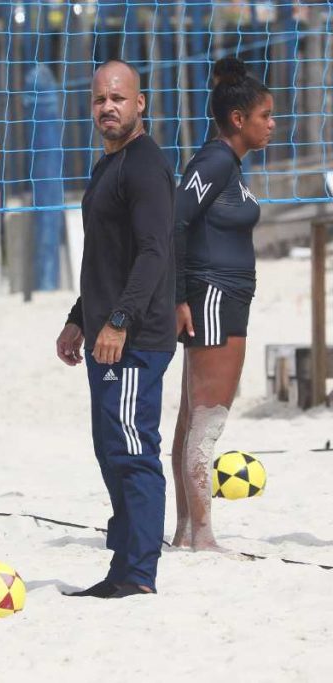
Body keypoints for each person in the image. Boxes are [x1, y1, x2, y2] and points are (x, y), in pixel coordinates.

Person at [55, 61, 176, 598]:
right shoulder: (108, 165)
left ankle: (137, 575)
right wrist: (80, 318)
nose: (109, 107)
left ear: (140, 104)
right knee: (111, 447)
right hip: (106, 332)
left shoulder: (144, 167)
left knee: (131, 450)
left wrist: (119, 321)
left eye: (119, 98)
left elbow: (153, 253)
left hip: (135, 337)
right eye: (100, 98)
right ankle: (122, 565)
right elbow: (108, 256)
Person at [169, 57, 274, 552]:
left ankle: (189, 530)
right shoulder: (213, 161)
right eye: (266, 116)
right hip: (212, 296)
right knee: (207, 421)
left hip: (224, 296)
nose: (272, 124)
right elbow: (174, 222)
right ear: (239, 120)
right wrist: (180, 297)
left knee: (194, 418)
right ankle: (204, 537)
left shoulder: (227, 164)